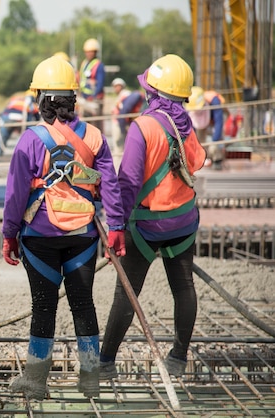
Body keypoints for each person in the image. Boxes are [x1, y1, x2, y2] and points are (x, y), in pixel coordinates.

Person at [2, 55, 125, 400]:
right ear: (74, 99)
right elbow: (110, 186)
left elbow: (14, 195)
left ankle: (36, 381)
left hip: (39, 237)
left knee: (44, 307)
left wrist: (8, 234)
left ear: (40, 100)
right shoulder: (96, 137)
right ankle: (90, 380)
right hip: (83, 235)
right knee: (83, 304)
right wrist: (115, 227)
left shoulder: (30, 140)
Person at [99, 54, 207, 381]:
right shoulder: (185, 124)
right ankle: (178, 356)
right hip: (183, 223)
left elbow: (128, 183)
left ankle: (105, 363)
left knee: (126, 293)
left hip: (146, 227)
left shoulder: (143, 127)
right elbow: (197, 163)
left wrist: (116, 227)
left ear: (154, 92)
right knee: (183, 286)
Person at [186, 86, 227, 169]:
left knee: (215, 144)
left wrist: (214, 142)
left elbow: (219, 122)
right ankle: (204, 157)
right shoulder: (191, 104)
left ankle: (217, 159)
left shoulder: (214, 102)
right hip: (200, 121)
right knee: (199, 141)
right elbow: (192, 126)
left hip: (213, 120)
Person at [111, 77, 146, 152]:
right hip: (120, 122)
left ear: (121, 86)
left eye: (117, 86)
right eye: (115, 86)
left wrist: (123, 129)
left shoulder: (127, 94)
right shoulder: (128, 96)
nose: (116, 88)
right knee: (120, 146)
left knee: (120, 147)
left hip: (120, 122)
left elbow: (124, 110)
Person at [78, 38, 106, 132]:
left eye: (91, 52)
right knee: (85, 124)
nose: (89, 54)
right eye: (87, 52)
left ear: (95, 52)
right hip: (84, 98)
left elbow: (100, 83)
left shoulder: (99, 65)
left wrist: (93, 96)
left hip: (95, 100)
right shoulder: (84, 64)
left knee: (96, 125)